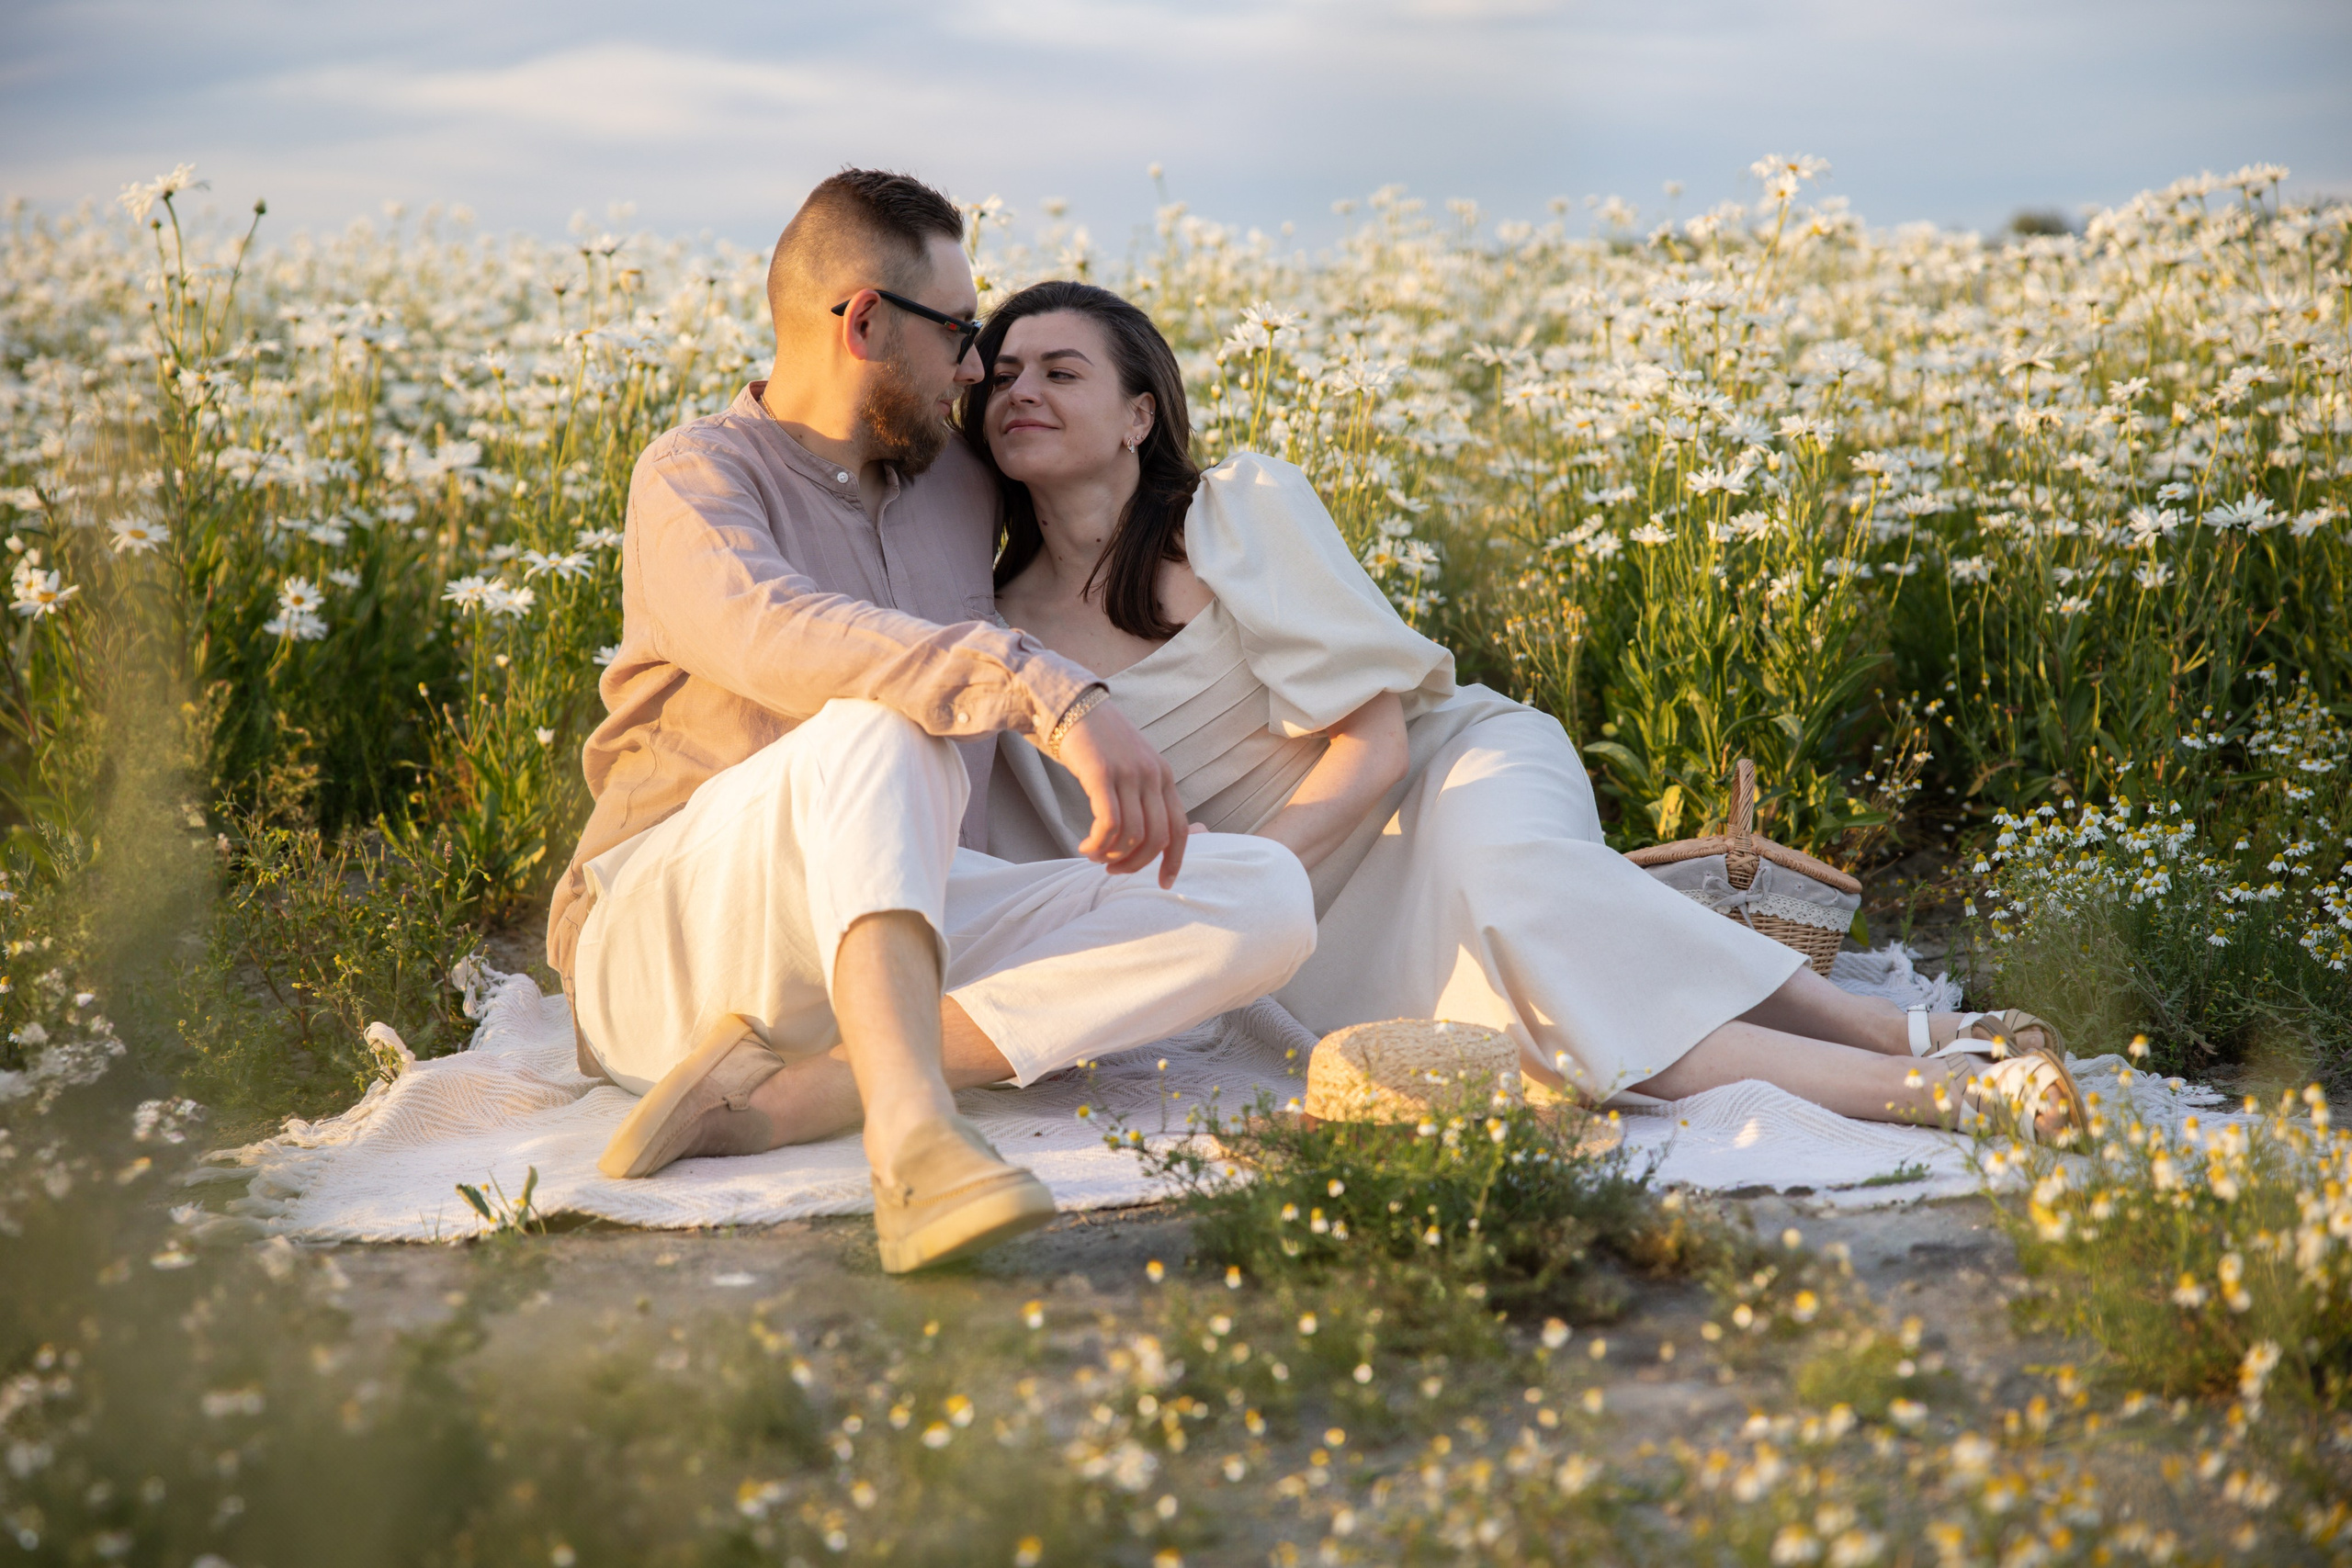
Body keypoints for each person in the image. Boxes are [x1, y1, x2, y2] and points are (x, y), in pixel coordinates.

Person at [966, 279, 2086, 1142]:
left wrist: (1244, 873)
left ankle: (1902, 1051)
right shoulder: (991, 625)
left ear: (1138, 414)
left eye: (1061, 372)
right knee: (1546, 1030)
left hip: (1432, 782)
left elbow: (1373, 739)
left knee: (1522, 889)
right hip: (1297, 914)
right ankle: (1936, 1081)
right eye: (1004, 373)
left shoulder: (1234, 511)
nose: (1022, 391)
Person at [548, 175, 1317, 1273]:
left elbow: (1097, 491)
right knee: (877, 719)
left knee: (1258, 897)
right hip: (673, 940)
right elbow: (780, 637)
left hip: (897, 926)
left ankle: (801, 1096)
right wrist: (1053, 693)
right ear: (865, 321)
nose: (975, 368)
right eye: (961, 332)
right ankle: (915, 1144)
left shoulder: (959, 480)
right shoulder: (694, 478)